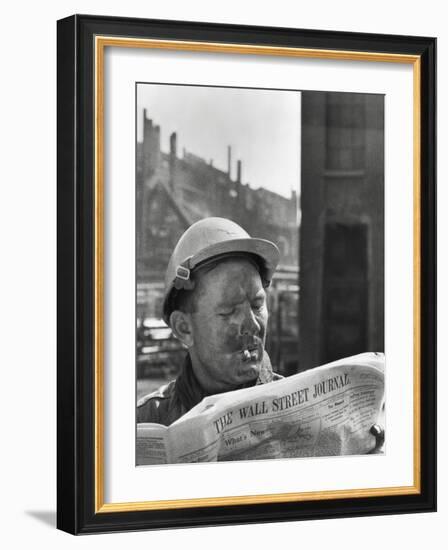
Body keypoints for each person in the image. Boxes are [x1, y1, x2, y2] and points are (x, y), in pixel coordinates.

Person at [137, 217, 282, 426]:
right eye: (229, 311)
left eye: (257, 305)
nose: (253, 325)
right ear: (184, 328)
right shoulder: (144, 423)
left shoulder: (304, 416)